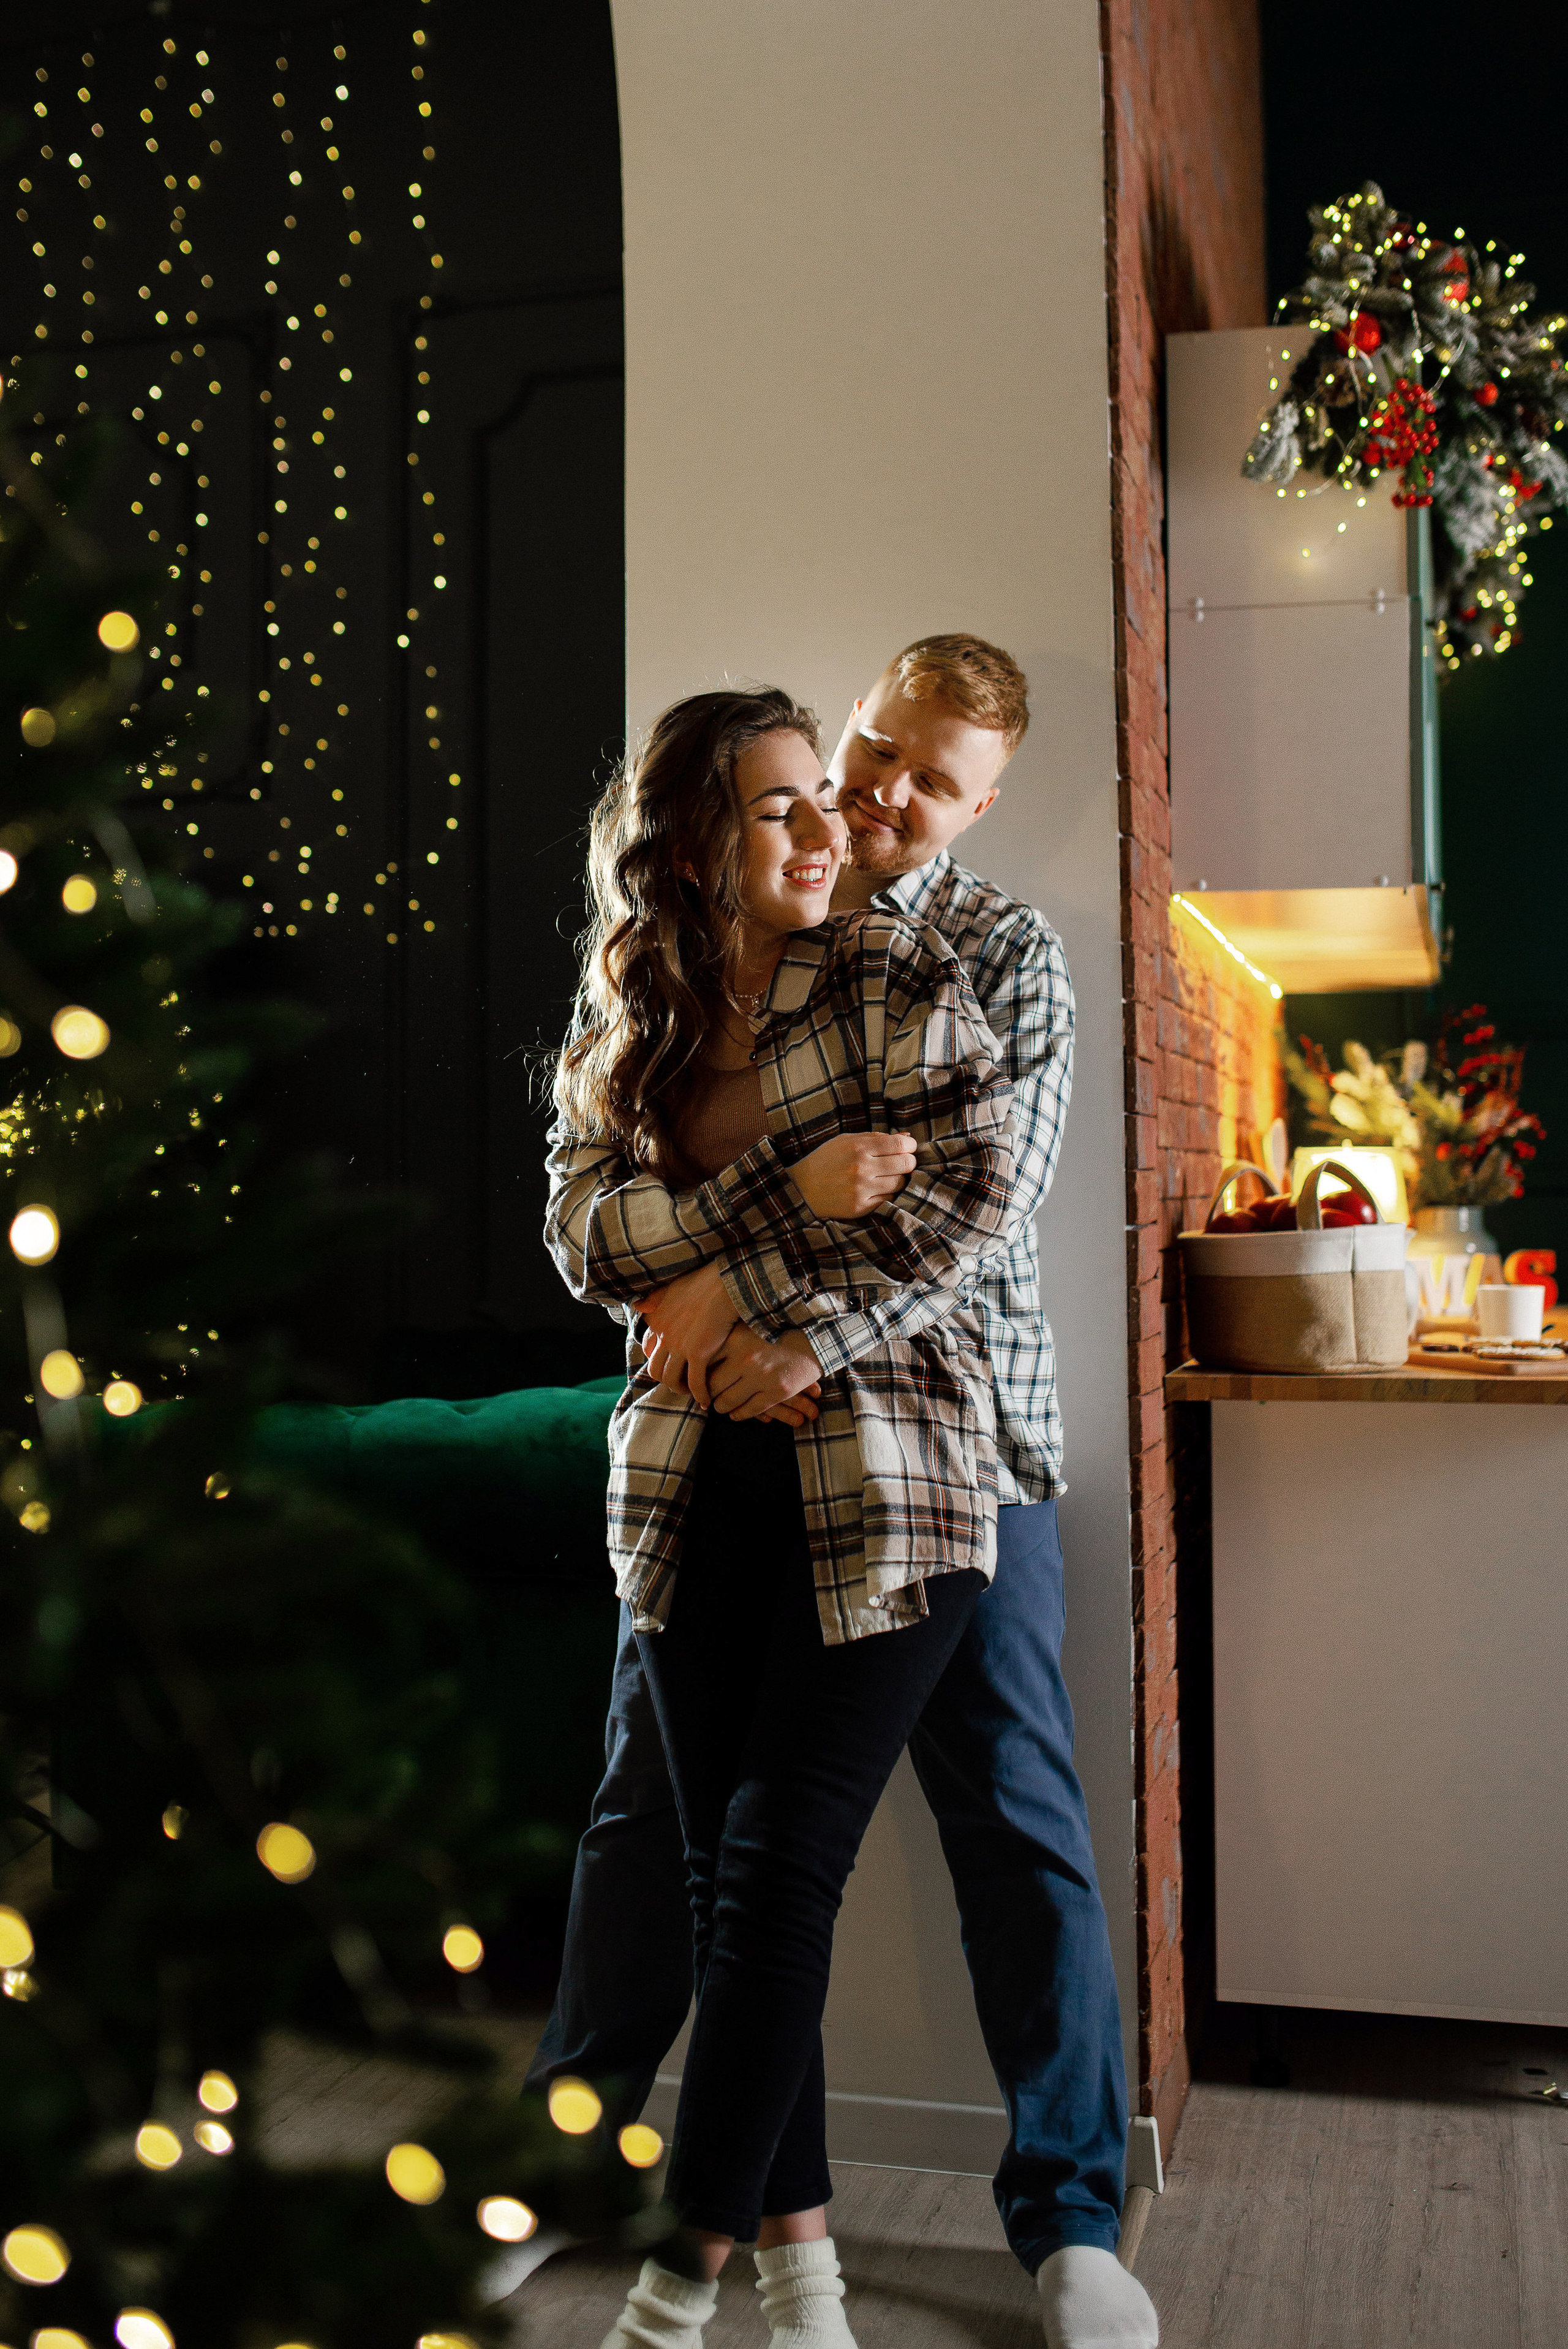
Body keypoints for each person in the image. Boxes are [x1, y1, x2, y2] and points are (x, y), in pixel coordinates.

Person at [533, 638, 1159, 2349]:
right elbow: (609, 1204)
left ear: (982, 804)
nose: (878, 799)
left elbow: (973, 1212)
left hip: (961, 1447)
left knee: (1014, 1814)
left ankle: (1071, 2215)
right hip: (719, 1443)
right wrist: (722, 1277)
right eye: (868, 754)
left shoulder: (995, 958)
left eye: (923, 782)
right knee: (650, 1814)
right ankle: (569, 2154)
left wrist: (772, 1318)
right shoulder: (722, 942)